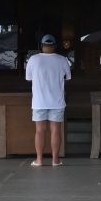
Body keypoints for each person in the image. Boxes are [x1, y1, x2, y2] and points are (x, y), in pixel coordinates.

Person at [25, 34, 71, 167]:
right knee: (56, 130)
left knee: (39, 131)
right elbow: (67, 77)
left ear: (41, 46)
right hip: (57, 101)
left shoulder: (33, 59)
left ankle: (39, 160)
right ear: (55, 46)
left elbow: (28, 78)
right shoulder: (62, 60)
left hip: (39, 101)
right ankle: (55, 160)